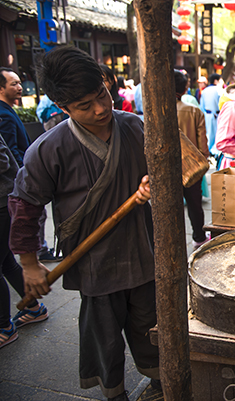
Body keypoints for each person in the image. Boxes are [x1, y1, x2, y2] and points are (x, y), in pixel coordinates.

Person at [9, 46, 159, 401]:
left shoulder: (135, 127)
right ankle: (115, 392)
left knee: (151, 326)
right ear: (63, 108)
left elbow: (170, 171)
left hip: (143, 249)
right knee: (104, 335)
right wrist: (29, 264)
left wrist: (155, 181)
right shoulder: (49, 149)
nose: (101, 108)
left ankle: (160, 382)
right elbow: (26, 204)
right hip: (94, 261)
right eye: (85, 106)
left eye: (102, 95)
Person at [0, 67, 58, 263]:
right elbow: (9, 150)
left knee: (7, 262)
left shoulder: (8, 110)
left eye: (19, 82)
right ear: (1, 88)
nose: (19, 87)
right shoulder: (4, 115)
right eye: (13, 84)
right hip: (16, 179)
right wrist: (24, 174)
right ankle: (39, 248)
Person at [0, 133, 47, 349]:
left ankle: (3, 327)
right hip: (8, 198)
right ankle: (33, 308)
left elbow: (4, 161)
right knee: (7, 262)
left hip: (2, 202)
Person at [174, 70, 210, 249]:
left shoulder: (155, 113)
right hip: (192, 167)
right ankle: (199, 236)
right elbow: (203, 144)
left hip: (168, 168)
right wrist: (204, 158)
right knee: (195, 204)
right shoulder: (194, 111)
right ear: (185, 88)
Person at [199, 73, 222, 156]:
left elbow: (202, 106)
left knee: (209, 134)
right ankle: (216, 152)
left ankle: (209, 151)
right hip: (217, 115)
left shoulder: (205, 91)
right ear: (216, 81)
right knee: (217, 134)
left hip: (207, 115)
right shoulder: (219, 90)